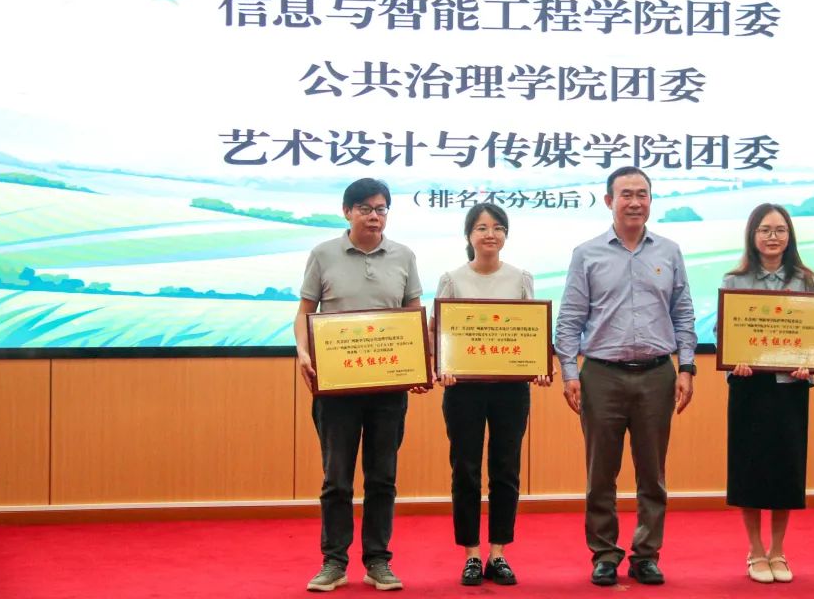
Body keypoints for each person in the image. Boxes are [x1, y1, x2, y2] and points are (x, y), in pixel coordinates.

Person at [555, 166, 697, 587]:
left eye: (642, 194)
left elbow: (684, 313)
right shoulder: (587, 254)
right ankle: (604, 554)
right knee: (601, 473)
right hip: (602, 375)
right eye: (625, 194)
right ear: (608, 201)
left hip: (657, 375)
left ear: (650, 200)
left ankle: (646, 555)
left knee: (652, 474)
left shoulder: (669, 251)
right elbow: (570, 319)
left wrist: (687, 367)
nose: (634, 202)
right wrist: (569, 372)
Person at [294, 178, 427, 593]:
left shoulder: (404, 255)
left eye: (381, 209)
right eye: (366, 208)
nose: (374, 216)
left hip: (388, 389)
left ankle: (378, 561)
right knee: (336, 479)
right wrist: (303, 351)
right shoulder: (323, 254)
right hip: (336, 389)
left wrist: (419, 365)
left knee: (382, 478)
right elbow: (305, 311)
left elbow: (413, 313)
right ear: (347, 211)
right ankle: (333, 562)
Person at [434, 202, 552, 586]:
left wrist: (539, 365)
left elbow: (532, 331)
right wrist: (443, 366)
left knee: (506, 469)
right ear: (469, 235)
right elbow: (440, 332)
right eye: (482, 228)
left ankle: (498, 552)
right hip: (463, 390)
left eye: (498, 227)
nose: (490, 234)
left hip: (510, 390)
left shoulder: (521, 278)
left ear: (506, 235)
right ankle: (471, 553)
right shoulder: (452, 279)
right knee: (465, 469)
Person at [719, 204, 814, 584]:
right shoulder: (735, 281)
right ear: (753, 235)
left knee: (785, 470)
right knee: (749, 470)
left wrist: (809, 363)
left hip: (790, 388)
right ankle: (755, 550)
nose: (772, 237)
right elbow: (723, 333)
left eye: (780, 230)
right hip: (749, 387)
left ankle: (778, 550)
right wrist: (735, 359)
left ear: (789, 236)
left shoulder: (807, 281)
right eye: (765, 230)